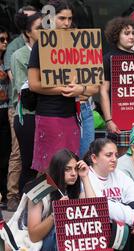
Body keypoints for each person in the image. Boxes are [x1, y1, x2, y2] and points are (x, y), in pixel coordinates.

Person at [28, 0, 82, 173]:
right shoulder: (40, 46)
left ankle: (64, 201)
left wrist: (81, 89)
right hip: (49, 115)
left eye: (69, 19)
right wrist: (63, 89)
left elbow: (92, 84)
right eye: (61, 18)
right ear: (51, 19)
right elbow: (34, 84)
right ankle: (35, 201)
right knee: (48, 169)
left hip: (72, 115)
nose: (66, 23)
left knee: (70, 167)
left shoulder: (77, 44)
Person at [26, 149, 95, 251]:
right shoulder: (40, 190)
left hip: (69, 248)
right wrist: (55, 214)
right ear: (57, 170)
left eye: (75, 168)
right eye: (67, 169)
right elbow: (33, 236)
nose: (74, 173)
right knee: (63, 228)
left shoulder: (74, 188)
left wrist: (85, 177)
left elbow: (94, 212)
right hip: (39, 248)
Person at [3, 5, 37, 212]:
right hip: (20, 109)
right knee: (20, 154)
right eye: (34, 22)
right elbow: (20, 84)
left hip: (41, 111)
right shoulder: (16, 49)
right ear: (26, 27)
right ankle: (13, 196)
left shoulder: (47, 48)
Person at [11, 10, 42, 193]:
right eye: (39, 29)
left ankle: (42, 211)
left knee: (48, 167)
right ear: (27, 32)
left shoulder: (52, 52)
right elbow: (26, 92)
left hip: (48, 115)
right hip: (28, 116)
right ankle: (24, 214)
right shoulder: (19, 55)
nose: (45, 32)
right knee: (30, 167)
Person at [100, 16, 134, 155]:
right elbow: (103, 91)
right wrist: (109, 120)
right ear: (116, 35)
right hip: (118, 120)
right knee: (121, 158)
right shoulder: (108, 58)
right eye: (126, 33)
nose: (131, 37)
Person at [0, 26, 10, 210]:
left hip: (5, 110)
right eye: (1, 39)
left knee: (5, 155)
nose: (5, 43)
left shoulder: (6, 60)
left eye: (6, 39)